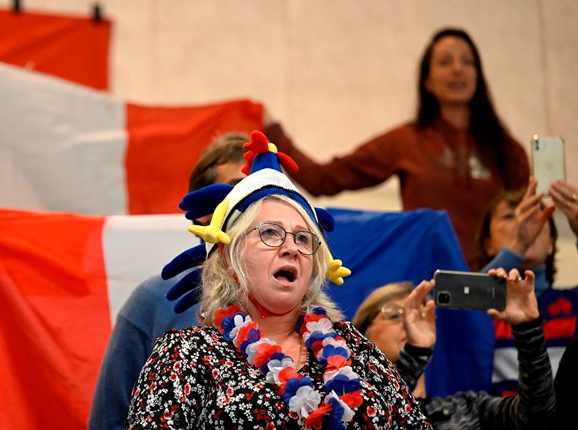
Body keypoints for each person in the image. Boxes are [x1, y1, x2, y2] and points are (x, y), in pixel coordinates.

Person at [127, 130, 430, 428]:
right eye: (270, 233)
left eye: (303, 238)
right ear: (230, 257)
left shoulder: (357, 349)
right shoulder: (188, 354)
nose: (291, 248)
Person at [267, 27, 529, 269]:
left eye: (467, 61)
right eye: (445, 62)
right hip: (428, 283)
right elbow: (321, 179)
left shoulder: (507, 149)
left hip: (499, 285)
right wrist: (272, 132)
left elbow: (532, 223)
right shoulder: (406, 141)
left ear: (478, 75)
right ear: (427, 81)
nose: (458, 69)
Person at [88, 133, 246, 430]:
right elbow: (109, 421)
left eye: (271, 191)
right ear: (201, 212)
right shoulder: (154, 299)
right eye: (238, 191)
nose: (256, 203)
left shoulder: (303, 309)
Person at [353, 274, 557, 429]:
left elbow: (536, 416)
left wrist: (528, 329)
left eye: (422, 315)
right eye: (395, 315)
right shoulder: (347, 407)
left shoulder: (467, 410)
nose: (409, 323)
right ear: (361, 335)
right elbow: (375, 414)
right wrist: (415, 353)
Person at [476, 178, 578, 395]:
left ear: (552, 243)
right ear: (488, 245)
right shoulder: (484, 309)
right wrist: (518, 246)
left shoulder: (573, 302)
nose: (527, 223)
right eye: (510, 216)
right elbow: (455, 307)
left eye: (538, 215)